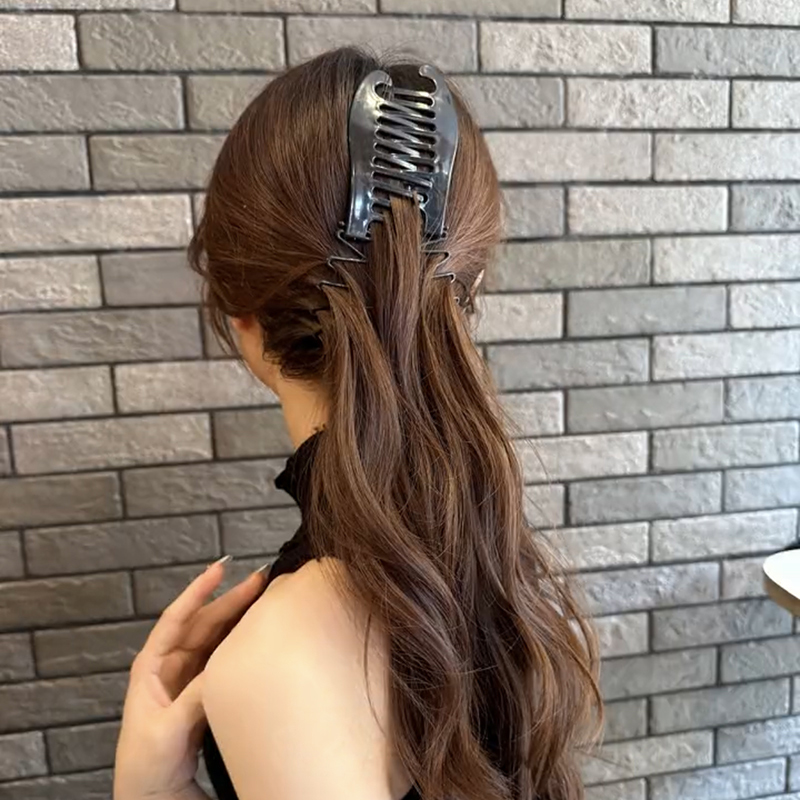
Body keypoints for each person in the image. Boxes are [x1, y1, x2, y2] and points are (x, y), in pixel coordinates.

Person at [113, 47, 602, 800]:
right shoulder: (486, 555)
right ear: (470, 291)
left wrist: (150, 794)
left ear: (242, 318)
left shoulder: (282, 664)